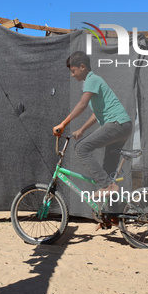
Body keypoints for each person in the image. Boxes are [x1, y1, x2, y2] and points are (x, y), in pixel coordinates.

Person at [53, 51, 132, 195]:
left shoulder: (92, 79)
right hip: (123, 125)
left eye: (73, 71)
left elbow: (82, 105)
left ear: (82, 67)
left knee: (81, 148)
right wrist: (82, 129)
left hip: (117, 123)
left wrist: (63, 123)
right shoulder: (92, 82)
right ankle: (111, 213)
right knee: (108, 170)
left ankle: (109, 187)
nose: (72, 75)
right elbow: (96, 113)